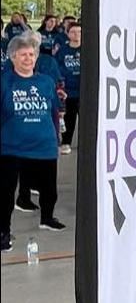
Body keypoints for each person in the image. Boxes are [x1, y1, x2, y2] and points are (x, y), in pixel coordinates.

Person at [2, 31, 66, 253]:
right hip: (11, 147)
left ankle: (47, 218)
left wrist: (57, 138)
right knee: (6, 193)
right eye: (23, 55)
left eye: (31, 54)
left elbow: (53, 112)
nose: (28, 59)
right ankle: (3, 232)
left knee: (50, 189)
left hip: (44, 146)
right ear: (13, 57)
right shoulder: (5, 82)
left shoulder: (46, 82)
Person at [54, 23, 83, 153]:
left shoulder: (88, 49)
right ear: (68, 33)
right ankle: (66, 143)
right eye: (73, 32)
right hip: (69, 91)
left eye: (79, 32)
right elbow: (57, 66)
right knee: (69, 118)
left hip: (84, 90)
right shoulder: (63, 50)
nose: (76, 34)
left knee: (87, 119)